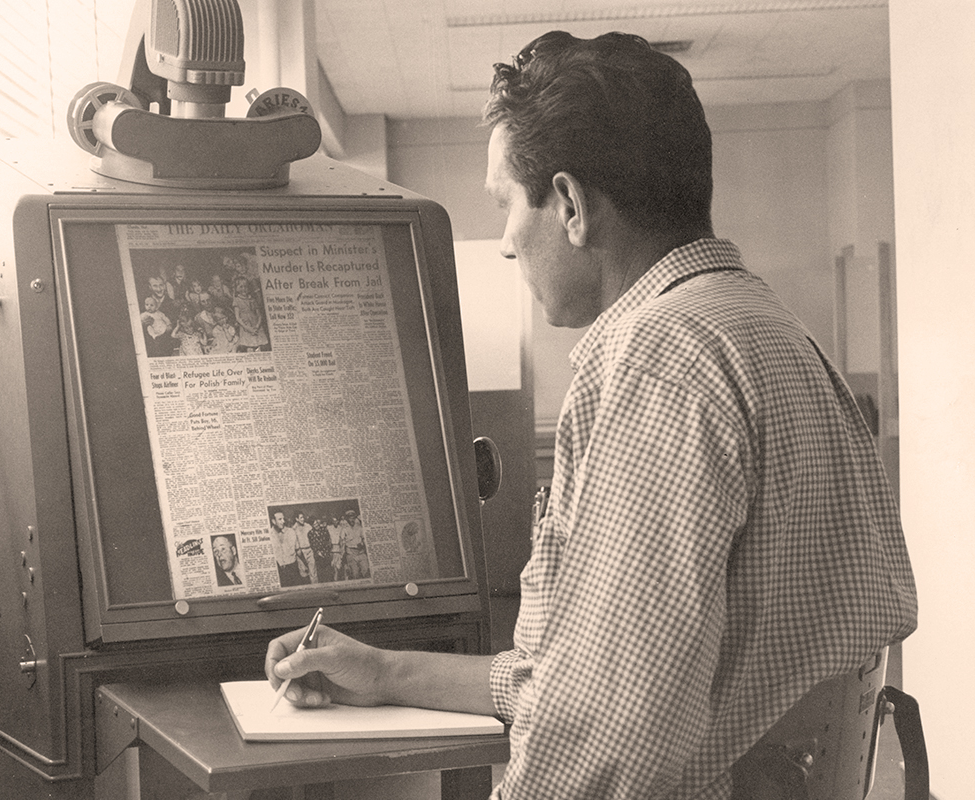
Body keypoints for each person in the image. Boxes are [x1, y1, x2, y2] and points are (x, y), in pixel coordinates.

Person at [265, 31, 917, 800]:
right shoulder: (764, 328)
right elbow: (594, 682)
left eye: (506, 203)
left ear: (569, 204)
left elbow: (609, 732)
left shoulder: (656, 359)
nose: (507, 241)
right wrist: (386, 673)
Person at [269, 511, 306, 587]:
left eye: (283, 518)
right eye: (280, 519)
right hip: (279, 569)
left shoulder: (291, 532)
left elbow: (298, 550)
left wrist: (304, 564)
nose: (283, 521)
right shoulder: (269, 534)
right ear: (273, 521)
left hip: (292, 566)